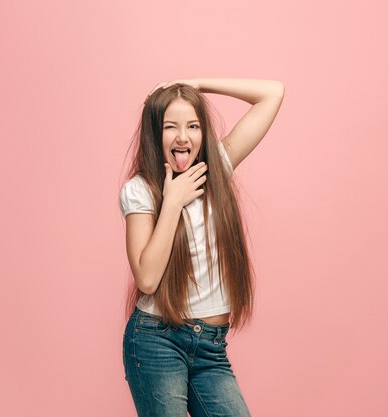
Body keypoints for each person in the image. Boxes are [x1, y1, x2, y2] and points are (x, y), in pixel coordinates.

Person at [119, 78, 284, 417]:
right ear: (155, 133)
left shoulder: (216, 169)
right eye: (171, 127)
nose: (183, 137)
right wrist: (173, 202)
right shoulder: (141, 191)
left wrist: (197, 85)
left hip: (210, 347)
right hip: (156, 342)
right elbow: (147, 279)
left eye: (193, 125)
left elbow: (272, 94)